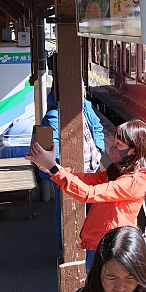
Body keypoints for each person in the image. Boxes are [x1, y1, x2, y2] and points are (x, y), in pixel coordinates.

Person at [29, 118, 146, 270]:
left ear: (135, 149)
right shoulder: (119, 171)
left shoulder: (137, 180)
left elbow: (88, 193)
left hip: (112, 249)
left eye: (118, 145)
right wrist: (51, 168)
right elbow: (87, 179)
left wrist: (54, 169)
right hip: (100, 244)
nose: (113, 148)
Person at [40, 89, 106, 249]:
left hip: (92, 170)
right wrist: (62, 170)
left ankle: (92, 246)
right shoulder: (54, 116)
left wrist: (98, 149)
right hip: (70, 175)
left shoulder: (84, 105)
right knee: (67, 213)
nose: (82, 91)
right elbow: (54, 150)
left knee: (92, 211)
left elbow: (97, 126)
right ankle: (69, 249)